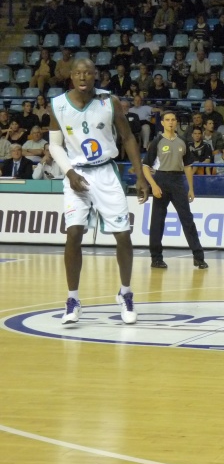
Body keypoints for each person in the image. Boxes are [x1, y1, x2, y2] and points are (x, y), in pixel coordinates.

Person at [47, 58, 149, 325]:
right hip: (76, 173)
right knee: (73, 233)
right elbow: (55, 146)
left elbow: (127, 137)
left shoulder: (109, 101)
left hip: (106, 172)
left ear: (96, 76)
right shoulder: (57, 105)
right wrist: (69, 172)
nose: (83, 77)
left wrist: (140, 176)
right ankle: (72, 299)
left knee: (123, 235)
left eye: (88, 73)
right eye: (78, 73)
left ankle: (125, 293)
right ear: (71, 76)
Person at [142, 112, 208, 270]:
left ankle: (198, 257)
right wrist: (154, 185)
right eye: (167, 120)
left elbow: (187, 166)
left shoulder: (182, 141)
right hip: (161, 180)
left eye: (173, 119)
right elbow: (145, 167)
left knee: (187, 220)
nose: (170, 122)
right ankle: (156, 258)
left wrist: (191, 188)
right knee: (157, 221)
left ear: (176, 122)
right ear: (163, 123)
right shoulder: (157, 141)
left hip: (178, 181)